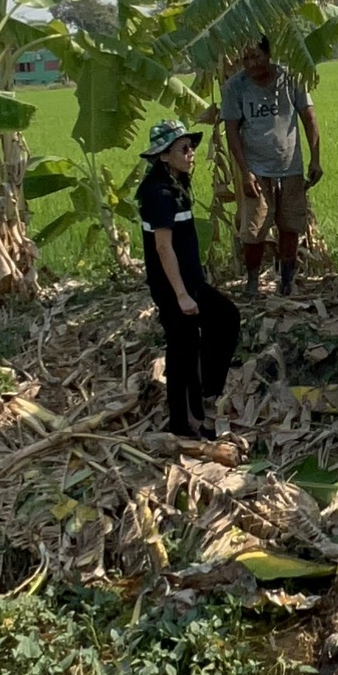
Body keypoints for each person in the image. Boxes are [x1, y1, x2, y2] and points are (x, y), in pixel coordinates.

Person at [136, 122, 242, 439]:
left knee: (200, 337)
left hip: (188, 282)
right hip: (173, 287)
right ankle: (186, 421)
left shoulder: (176, 185)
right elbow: (163, 246)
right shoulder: (160, 193)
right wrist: (181, 294)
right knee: (190, 343)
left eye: (190, 146)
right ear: (165, 156)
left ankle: (196, 410)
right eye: (183, 148)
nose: (190, 153)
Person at [220, 39, 322, 297]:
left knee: (290, 226)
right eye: (246, 59)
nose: (252, 64)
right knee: (253, 232)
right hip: (256, 170)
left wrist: (315, 159)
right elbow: (231, 131)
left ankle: (286, 279)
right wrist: (245, 172)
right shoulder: (236, 87)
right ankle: (252, 281)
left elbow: (309, 118)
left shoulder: (290, 79)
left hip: (290, 167)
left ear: (268, 54)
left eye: (256, 56)